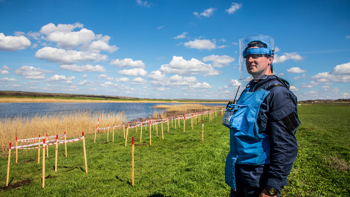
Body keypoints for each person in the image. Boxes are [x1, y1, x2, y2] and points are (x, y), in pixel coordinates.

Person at [223, 35, 300, 197]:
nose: (250, 60)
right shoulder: (249, 89)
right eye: (247, 56)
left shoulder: (278, 93)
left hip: (259, 174)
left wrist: (272, 187)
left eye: (257, 55)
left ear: (270, 58)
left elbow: (286, 145)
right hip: (238, 170)